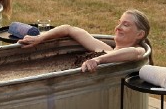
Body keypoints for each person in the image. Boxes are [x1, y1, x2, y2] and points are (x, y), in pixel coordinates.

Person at [18, 10, 151, 73]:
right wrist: (40, 38)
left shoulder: (138, 51)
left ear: (140, 34)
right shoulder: (104, 49)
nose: (118, 28)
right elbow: (69, 29)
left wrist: (98, 60)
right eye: (119, 23)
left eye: (126, 25)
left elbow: (134, 53)